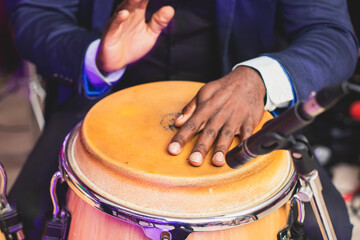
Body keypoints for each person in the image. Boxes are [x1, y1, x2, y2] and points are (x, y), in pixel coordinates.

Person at [6, 0, 358, 239]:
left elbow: (331, 35)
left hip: (246, 106)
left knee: (327, 227)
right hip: (99, 106)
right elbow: (36, 14)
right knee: (29, 216)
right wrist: (97, 57)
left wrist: (258, 80)